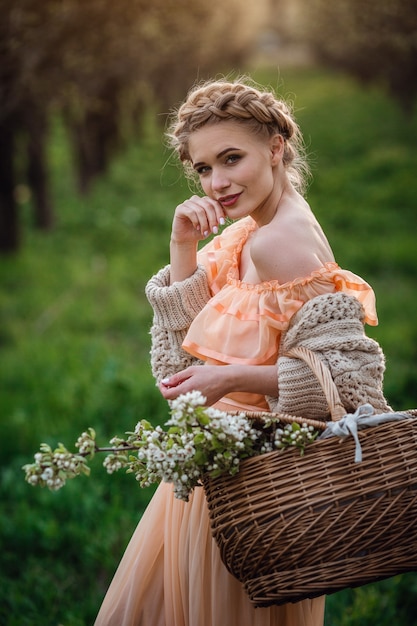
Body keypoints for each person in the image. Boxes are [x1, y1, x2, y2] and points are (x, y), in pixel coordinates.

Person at [94, 77, 391, 626]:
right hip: (219, 468)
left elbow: (351, 385)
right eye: (203, 169)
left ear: (276, 147)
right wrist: (183, 245)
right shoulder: (250, 230)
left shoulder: (281, 242)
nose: (217, 184)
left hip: (263, 489)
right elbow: (180, 357)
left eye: (232, 159)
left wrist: (228, 382)